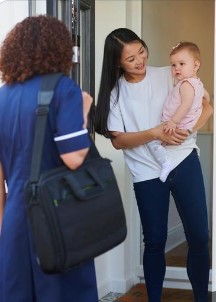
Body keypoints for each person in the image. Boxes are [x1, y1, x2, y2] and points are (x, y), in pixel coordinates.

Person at [95, 28, 213, 302]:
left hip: (183, 161)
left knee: (198, 235)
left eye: (141, 52)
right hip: (147, 173)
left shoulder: (170, 73)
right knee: (155, 242)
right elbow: (118, 141)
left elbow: (206, 105)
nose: (139, 60)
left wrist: (188, 131)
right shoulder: (116, 93)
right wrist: (155, 133)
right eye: (130, 58)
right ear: (117, 63)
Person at [0, 15, 98, 302]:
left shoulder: (2, 97)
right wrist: (83, 111)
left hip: (16, 220)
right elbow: (74, 158)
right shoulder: (63, 89)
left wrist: (5, 230)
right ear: (60, 49)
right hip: (58, 217)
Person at [147, 41, 210, 182]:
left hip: (176, 124)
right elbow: (206, 97)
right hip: (185, 127)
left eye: (182, 64)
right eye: (173, 65)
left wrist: (173, 122)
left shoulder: (185, 85)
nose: (177, 68)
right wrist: (205, 96)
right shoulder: (198, 83)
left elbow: (186, 105)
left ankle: (165, 163)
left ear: (196, 65)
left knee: (152, 143)